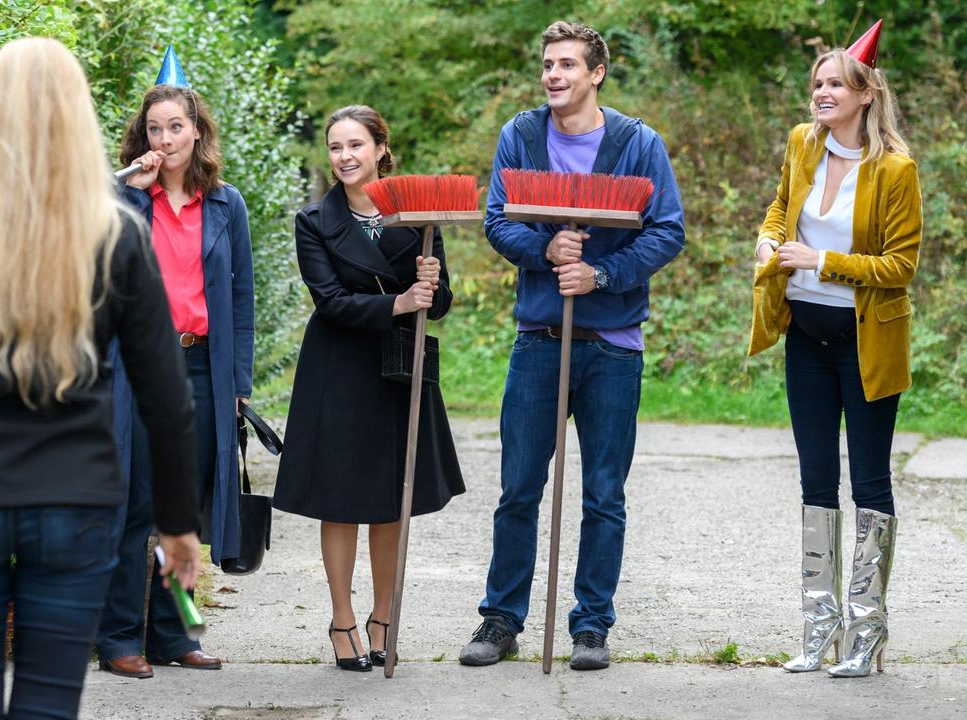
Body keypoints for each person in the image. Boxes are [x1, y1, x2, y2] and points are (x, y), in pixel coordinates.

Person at [0, 38, 202, 716]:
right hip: (75, 502)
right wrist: (176, 526)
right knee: (49, 708)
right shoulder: (116, 235)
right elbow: (168, 402)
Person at [458, 21, 685, 671]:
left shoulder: (638, 145)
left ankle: (591, 625)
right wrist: (546, 249)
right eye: (547, 64)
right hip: (539, 338)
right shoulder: (522, 137)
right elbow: (499, 219)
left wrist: (602, 274)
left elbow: (667, 231)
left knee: (603, 494)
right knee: (519, 488)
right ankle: (501, 620)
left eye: (566, 65)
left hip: (613, 344)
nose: (553, 74)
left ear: (596, 73)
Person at [748, 20, 918, 678]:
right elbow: (777, 209)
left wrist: (823, 258)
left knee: (869, 483)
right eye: (815, 83)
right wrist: (768, 243)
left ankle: (867, 634)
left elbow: (900, 266)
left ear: (865, 94)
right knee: (815, 480)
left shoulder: (895, 170)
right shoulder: (801, 145)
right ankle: (819, 629)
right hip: (806, 336)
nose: (820, 93)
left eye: (833, 84)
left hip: (867, 342)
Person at [272, 105, 465, 672]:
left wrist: (430, 286)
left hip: (399, 370)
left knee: (391, 502)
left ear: (381, 148)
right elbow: (329, 301)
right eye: (335, 147)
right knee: (341, 502)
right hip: (338, 370)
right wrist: (398, 302)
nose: (345, 156)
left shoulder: (418, 214)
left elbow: (443, 303)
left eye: (356, 145)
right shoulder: (315, 220)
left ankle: (384, 618)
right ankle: (342, 622)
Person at [94, 74, 254, 678]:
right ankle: (117, 640)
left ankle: (174, 634)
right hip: (135, 367)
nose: (166, 139)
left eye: (176, 127)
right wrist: (125, 188)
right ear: (143, 136)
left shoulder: (226, 204)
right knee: (133, 505)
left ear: (197, 132)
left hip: (200, 366)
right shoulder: (128, 197)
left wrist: (238, 382)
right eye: (154, 128)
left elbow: (242, 299)